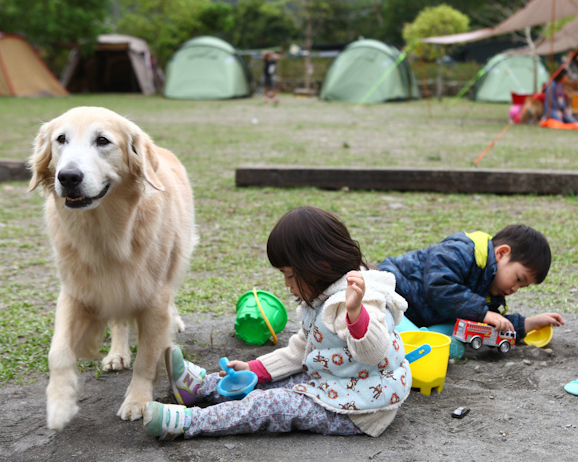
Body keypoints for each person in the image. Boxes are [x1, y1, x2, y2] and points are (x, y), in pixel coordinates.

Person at [143, 206, 411, 440]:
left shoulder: (357, 302)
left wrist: (355, 314)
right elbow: (299, 352)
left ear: (320, 266)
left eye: (291, 275)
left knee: (271, 403)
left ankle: (187, 423)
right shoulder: (323, 295)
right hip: (335, 383)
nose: (287, 285)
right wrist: (255, 369)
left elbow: (373, 354)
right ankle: (198, 388)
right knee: (258, 382)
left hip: (361, 408)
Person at [377, 225, 564, 343]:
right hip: (388, 295)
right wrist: (482, 312)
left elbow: (489, 325)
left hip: (413, 315)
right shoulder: (463, 250)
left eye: (522, 288)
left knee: (460, 331)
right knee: (393, 329)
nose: (515, 289)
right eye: (518, 279)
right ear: (501, 254)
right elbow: (438, 286)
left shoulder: (490, 288)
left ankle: (423, 340)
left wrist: (528, 323)